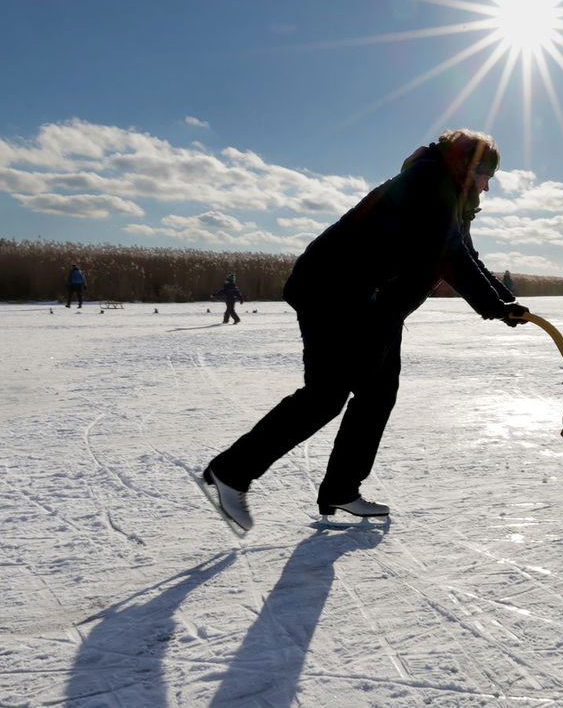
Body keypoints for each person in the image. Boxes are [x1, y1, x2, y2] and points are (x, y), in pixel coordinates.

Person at [200, 129, 527, 534]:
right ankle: (231, 472)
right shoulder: (428, 181)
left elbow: (465, 253)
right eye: (486, 175)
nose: (488, 186)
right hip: (334, 293)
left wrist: (503, 300)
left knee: (377, 394)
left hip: (375, 308)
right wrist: (495, 307)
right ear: (468, 167)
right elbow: (449, 256)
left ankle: (340, 488)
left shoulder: (450, 196)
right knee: (325, 396)